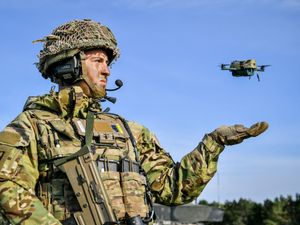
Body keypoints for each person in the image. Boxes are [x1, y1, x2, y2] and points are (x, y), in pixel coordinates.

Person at [0, 19, 268, 225]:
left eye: (108, 63)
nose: (107, 70)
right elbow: (6, 187)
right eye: (98, 61)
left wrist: (213, 143)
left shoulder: (129, 132)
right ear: (68, 65)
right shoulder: (32, 126)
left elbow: (172, 189)